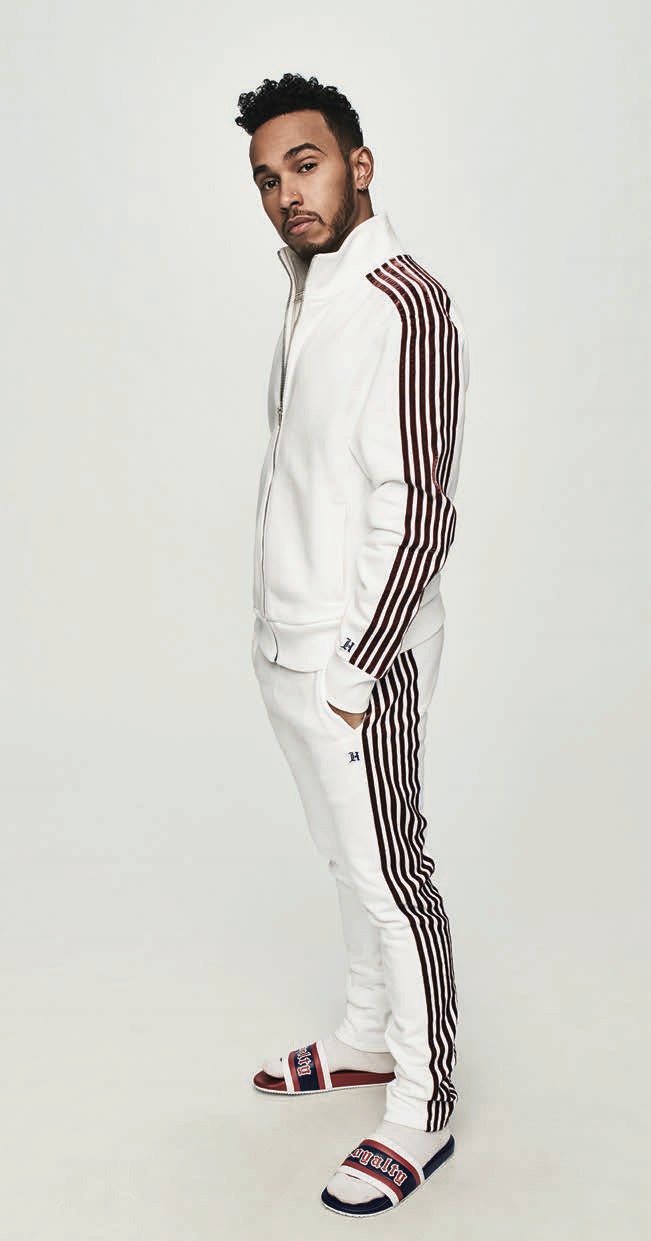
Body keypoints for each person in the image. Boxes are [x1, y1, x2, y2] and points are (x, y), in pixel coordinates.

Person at [234, 72, 470, 1218]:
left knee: (391, 874)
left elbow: (417, 505)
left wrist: (356, 668)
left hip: (356, 661)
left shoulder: (404, 302)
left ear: (359, 164)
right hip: (288, 642)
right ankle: (370, 1033)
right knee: (345, 859)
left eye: (308, 163)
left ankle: (424, 1106)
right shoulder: (308, 288)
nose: (290, 192)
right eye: (268, 177)